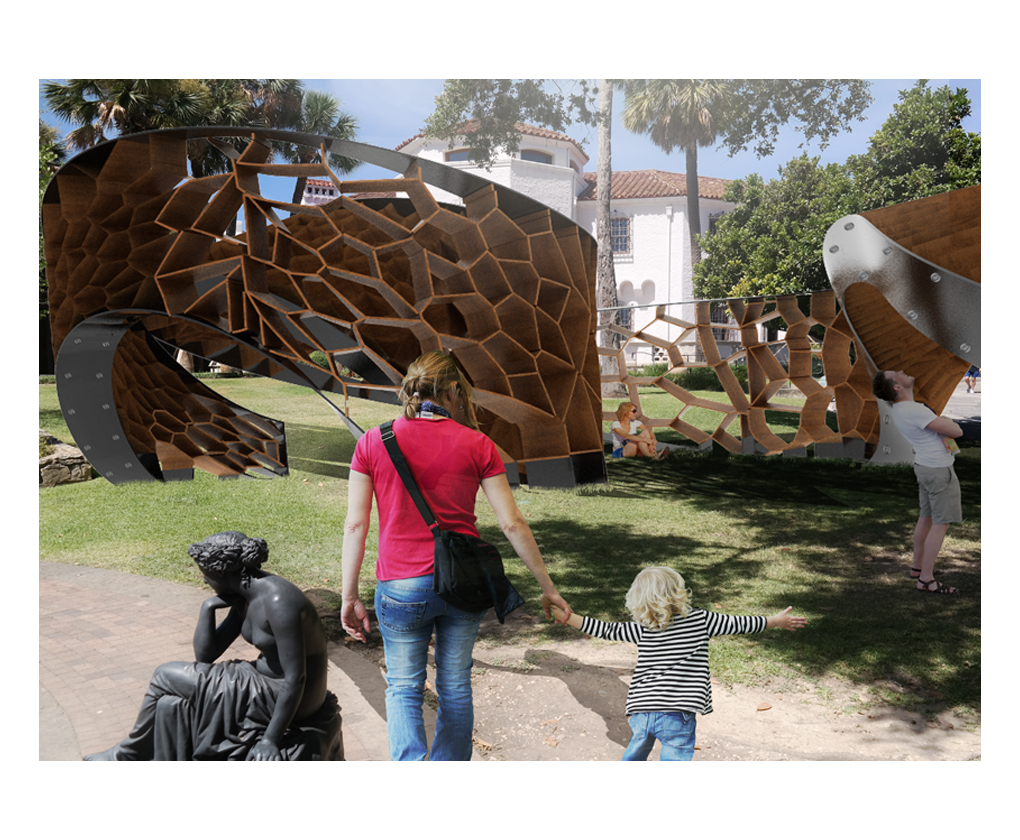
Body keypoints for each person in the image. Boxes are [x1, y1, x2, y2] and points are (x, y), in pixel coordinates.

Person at [340, 350, 572, 761]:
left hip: (399, 585)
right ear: (451, 391)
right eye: (461, 394)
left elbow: (355, 525)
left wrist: (349, 595)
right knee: (455, 686)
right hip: (461, 585)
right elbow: (513, 524)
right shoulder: (478, 443)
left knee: (404, 687)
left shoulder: (372, 442)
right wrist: (548, 588)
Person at [85, 531, 338, 760]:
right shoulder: (246, 595)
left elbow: (296, 678)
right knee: (170, 703)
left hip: (292, 695)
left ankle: (127, 754)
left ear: (222, 572)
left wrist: (270, 740)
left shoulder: (279, 602)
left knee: (164, 674)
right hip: (262, 679)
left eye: (205, 573)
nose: (204, 580)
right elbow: (205, 655)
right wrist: (208, 608)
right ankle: (137, 753)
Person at [550, 566, 805, 761]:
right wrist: (775, 620)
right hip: (678, 711)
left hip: (642, 710)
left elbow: (604, 629)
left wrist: (566, 617)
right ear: (678, 593)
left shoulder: (642, 628)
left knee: (637, 750)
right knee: (675, 758)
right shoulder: (702, 620)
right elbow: (741, 623)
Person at [872, 369, 964, 594]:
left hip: (925, 468)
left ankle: (918, 566)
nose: (902, 371)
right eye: (896, 373)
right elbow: (956, 431)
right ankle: (925, 579)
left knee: (927, 517)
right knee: (941, 523)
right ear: (897, 387)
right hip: (938, 471)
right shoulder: (914, 410)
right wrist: (945, 419)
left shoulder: (902, 409)